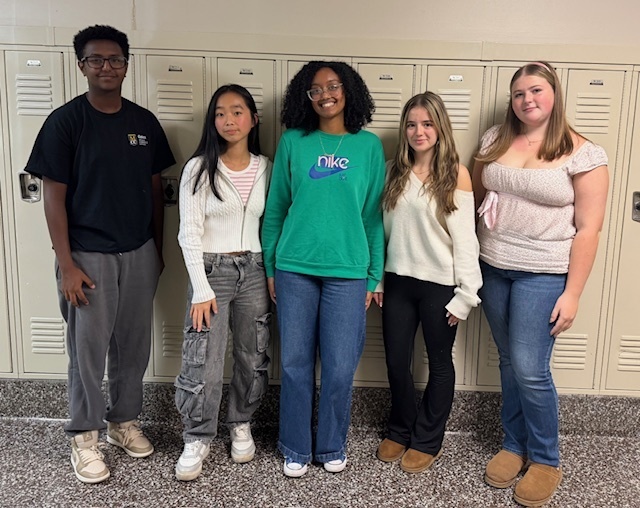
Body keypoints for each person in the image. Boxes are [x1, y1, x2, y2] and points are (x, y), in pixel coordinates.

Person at [25, 25, 175, 484]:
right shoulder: (66, 122)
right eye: (96, 60)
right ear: (81, 65)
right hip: (86, 256)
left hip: (139, 252)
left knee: (133, 347)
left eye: (115, 59)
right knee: (86, 352)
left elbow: (155, 190)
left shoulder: (144, 123)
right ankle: (84, 436)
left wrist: (157, 248)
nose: (107, 67)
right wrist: (66, 264)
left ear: (127, 64)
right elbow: (53, 197)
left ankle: (122, 423)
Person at [472, 62, 608, 507]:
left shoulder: (584, 153)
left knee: (531, 368)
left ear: (554, 94)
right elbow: (475, 195)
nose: (527, 99)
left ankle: (546, 459)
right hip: (492, 265)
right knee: (509, 361)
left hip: (543, 272)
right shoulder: (495, 138)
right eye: (518, 93)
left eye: (536, 90)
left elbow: (588, 230)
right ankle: (514, 446)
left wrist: (572, 293)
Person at [261, 61, 385, 477]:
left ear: (348, 91)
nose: (325, 94)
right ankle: (295, 446)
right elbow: (276, 208)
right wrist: (271, 267)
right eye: (315, 89)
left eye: (333, 86)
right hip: (294, 267)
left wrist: (374, 275)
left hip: (348, 273)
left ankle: (331, 444)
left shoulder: (368, 147)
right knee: (295, 364)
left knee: (338, 365)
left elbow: (372, 217)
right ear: (305, 97)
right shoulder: (293, 142)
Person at [374, 92, 482, 473]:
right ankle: (400, 428)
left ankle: (427, 439)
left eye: (427, 123)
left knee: (438, 364)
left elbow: (466, 240)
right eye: (411, 124)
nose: (419, 132)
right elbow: (380, 232)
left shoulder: (456, 173)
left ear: (440, 128)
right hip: (399, 282)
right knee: (396, 363)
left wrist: (466, 295)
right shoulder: (392, 171)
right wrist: (378, 278)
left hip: (440, 287)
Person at [174, 85, 272, 481]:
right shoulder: (198, 168)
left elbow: (275, 221)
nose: (228, 121)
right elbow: (188, 232)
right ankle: (197, 435)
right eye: (220, 113)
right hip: (211, 272)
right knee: (204, 359)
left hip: (255, 270)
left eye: (237, 112)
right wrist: (200, 287)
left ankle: (241, 422)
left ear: (253, 118)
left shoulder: (267, 165)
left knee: (253, 353)